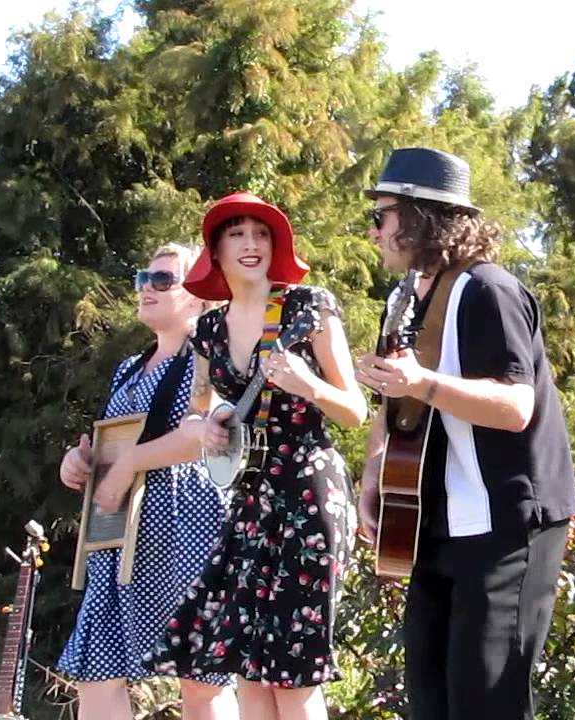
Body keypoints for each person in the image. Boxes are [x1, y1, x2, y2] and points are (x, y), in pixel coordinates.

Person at [354, 147, 575, 719]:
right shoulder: (404, 300)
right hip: (432, 525)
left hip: (506, 523)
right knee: (430, 704)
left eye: (382, 215)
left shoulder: (489, 290)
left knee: (486, 703)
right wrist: (373, 475)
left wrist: (423, 382)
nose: (374, 230)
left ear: (420, 216)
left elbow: (514, 405)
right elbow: (393, 406)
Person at [143, 192, 366, 720]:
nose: (250, 244)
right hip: (248, 503)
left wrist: (308, 384)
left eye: (261, 234)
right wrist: (211, 424)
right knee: (247, 674)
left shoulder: (308, 307)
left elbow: (355, 409)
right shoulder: (208, 331)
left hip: (309, 493)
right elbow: (197, 413)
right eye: (237, 234)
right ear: (215, 251)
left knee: (292, 675)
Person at [57, 243, 237, 720]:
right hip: (117, 538)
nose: (147, 289)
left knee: (200, 681)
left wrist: (126, 465)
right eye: (144, 279)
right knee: (96, 674)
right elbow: (108, 447)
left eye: (163, 281)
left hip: (186, 527)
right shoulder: (128, 370)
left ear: (198, 296)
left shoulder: (208, 358)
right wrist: (78, 462)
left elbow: (204, 437)